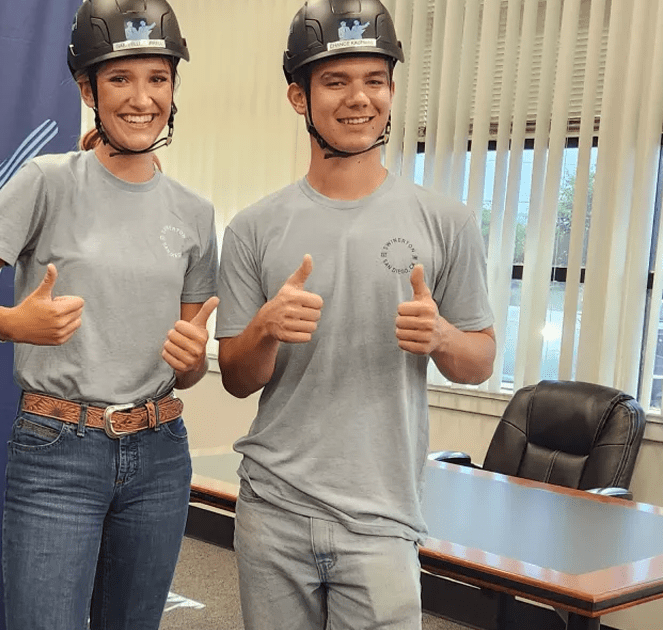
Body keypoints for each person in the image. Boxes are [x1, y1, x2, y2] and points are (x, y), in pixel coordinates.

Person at [0, 1, 219, 628]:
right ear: (88, 90)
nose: (142, 98)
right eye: (120, 78)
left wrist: (192, 363)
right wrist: (10, 323)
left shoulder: (194, 213)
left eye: (158, 78)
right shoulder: (47, 181)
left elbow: (187, 367)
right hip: (58, 450)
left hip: (160, 452)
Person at [215, 1, 496, 628]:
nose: (359, 98)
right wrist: (264, 328)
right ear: (299, 96)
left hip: (384, 519)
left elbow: (479, 363)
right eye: (336, 81)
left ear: (392, 91)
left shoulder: (447, 222)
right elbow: (236, 377)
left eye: (375, 79)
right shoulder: (252, 228)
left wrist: (442, 336)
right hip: (273, 508)